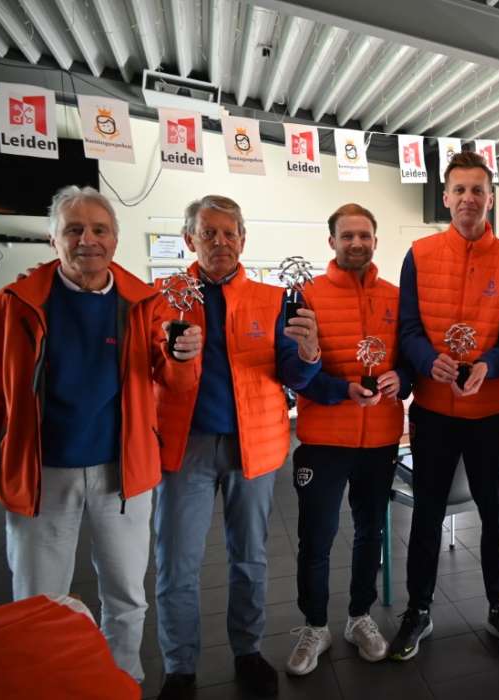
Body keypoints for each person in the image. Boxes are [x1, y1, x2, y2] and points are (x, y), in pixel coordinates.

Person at [0, 186, 200, 682]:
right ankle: (45, 687)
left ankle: (121, 682)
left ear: (115, 239)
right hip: (40, 476)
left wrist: (184, 358)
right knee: (38, 602)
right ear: (53, 239)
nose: (87, 240)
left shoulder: (145, 303)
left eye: (99, 229)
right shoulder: (12, 305)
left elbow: (176, 382)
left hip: (123, 475)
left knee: (126, 597)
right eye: (74, 229)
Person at [152, 195, 322, 700]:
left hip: (255, 446)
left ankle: (248, 652)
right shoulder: (164, 299)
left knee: (249, 558)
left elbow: (292, 375)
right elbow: (144, 369)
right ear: (190, 240)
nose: (220, 242)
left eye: (230, 233)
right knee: (176, 563)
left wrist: (309, 354)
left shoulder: (273, 300)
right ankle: (179, 668)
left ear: (243, 240)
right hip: (185, 448)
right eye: (209, 233)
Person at [390, 151, 499, 660]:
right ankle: (418, 610)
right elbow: (407, 329)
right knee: (426, 515)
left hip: (491, 412)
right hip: (433, 410)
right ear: (446, 198)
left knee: (497, 515)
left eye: (477, 190)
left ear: (490, 198)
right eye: (460, 190)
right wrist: (430, 362)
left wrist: (488, 366)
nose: (468, 198)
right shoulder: (419, 255)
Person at [284, 203, 412, 674]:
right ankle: (314, 626)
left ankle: (360, 617)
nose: (356, 243)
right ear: (332, 241)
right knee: (316, 537)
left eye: (364, 235)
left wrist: (402, 378)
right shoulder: (307, 295)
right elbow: (293, 371)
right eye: (347, 236)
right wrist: (342, 391)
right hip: (324, 439)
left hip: (380, 438)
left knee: (370, 531)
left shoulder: (396, 297)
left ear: (375, 241)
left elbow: (410, 362)